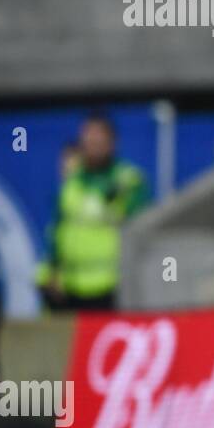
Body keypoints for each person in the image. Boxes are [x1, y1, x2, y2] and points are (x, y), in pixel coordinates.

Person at [37, 114, 150, 310]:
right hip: (70, 286)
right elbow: (58, 230)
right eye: (88, 140)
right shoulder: (71, 182)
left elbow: (143, 227)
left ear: (112, 143)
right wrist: (51, 270)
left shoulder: (129, 180)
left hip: (112, 286)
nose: (93, 145)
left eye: (99, 140)